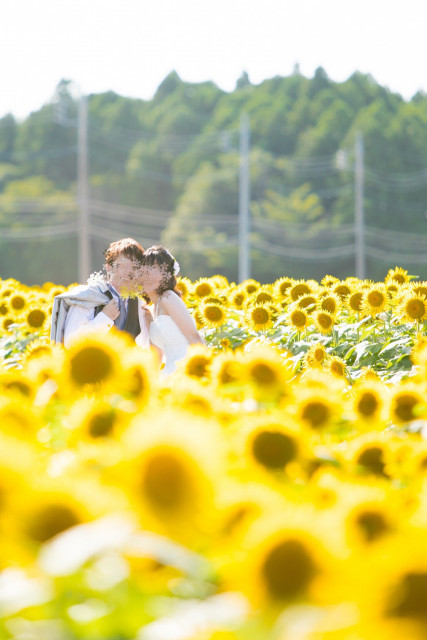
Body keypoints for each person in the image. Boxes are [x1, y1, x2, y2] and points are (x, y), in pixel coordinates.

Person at [51, 238, 151, 348]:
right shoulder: (89, 297)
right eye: (122, 265)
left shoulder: (140, 304)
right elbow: (71, 342)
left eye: (134, 266)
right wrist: (104, 318)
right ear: (108, 267)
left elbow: (145, 346)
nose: (129, 272)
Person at [137, 245, 204, 376]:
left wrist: (204, 371)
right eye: (145, 269)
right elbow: (157, 355)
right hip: (169, 372)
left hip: (186, 370)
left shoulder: (168, 297)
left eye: (154, 268)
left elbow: (194, 336)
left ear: (166, 276)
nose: (148, 274)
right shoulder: (152, 310)